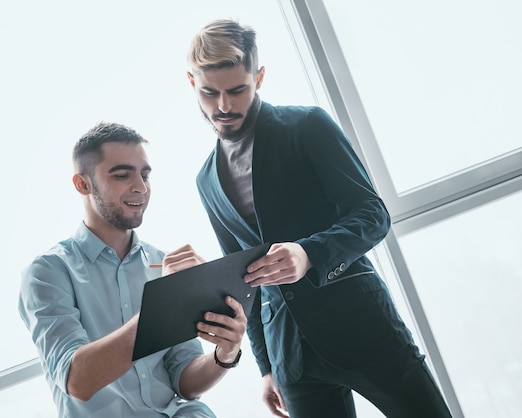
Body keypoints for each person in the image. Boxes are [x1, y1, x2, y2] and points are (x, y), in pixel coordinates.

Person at [185, 18, 453, 418]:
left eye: (237, 90)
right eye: (210, 92)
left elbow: (373, 214)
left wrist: (308, 253)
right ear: (193, 83)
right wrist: (267, 367)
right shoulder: (207, 179)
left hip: (364, 327)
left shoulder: (307, 125)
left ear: (259, 77)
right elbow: (242, 281)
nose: (223, 106)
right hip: (291, 357)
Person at [17, 122, 247, 417]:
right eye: (123, 175)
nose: (141, 187)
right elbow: (78, 380)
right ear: (83, 184)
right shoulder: (47, 272)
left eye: (145, 174)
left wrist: (224, 354)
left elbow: (185, 381)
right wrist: (164, 305)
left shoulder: (161, 264)